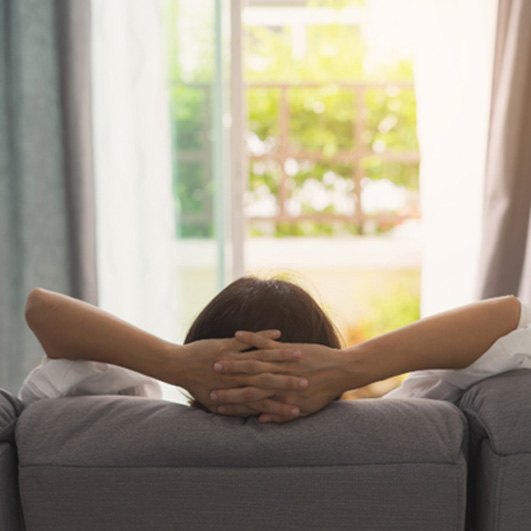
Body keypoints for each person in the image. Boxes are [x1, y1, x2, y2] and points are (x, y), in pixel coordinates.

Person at [21, 276, 530, 423]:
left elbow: (44, 311)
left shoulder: (115, 428)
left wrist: (175, 366)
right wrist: (349, 369)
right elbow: (513, 319)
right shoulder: (415, 430)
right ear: (323, 352)